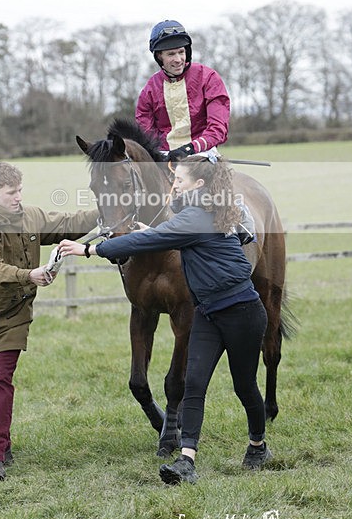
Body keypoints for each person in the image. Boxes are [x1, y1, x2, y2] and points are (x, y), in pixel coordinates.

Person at [58, 155, 271, 484]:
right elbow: (165, 233)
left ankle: (258, 446)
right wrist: (150, 229)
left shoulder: (197, 217)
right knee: (195, 384)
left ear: (198, 185)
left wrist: (89, 251)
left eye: (179, 181)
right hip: (208, 313)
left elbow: (154, 239)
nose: (173, 186)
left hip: (242, 312)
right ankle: (187, 461)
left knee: (245, 388)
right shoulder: (198, 213)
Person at [0, 161, 98, 481]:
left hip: (15, 316)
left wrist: (103, 212)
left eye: (20, 190)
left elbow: (67, 223)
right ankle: (3, 441)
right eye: (11, 192)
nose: (18, 197)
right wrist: (30, 275)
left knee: (0, 381)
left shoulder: (31, 216)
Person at [135, 20, 231, 162]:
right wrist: (161, 153)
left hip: (202, 154)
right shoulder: (149, 90)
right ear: (159, 56)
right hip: (165, 157)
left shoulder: (209, 78)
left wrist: (189, 148)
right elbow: (146, 133)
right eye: (171, 54)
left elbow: (218, 128)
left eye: (181, 52)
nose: (178, 59)